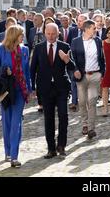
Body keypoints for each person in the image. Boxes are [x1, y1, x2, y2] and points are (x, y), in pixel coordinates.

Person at [30, 23, 75, 158]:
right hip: (45, 88)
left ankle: (61, 145)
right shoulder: (38, 48)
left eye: (53, 34)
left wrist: (66, 60)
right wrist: (32, 88)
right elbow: (32, 70)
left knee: (63, 117)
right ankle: (51, 148)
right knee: (48, 118)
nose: (50, 36)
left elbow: (72, 66)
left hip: (61, 88)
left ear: (58, 33)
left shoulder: (64, 46)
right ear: (45, 33)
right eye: (48, 34)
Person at [0, 25, 32, 167]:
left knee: (17, 123)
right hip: (6, 91)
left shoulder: (25, 50)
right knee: (7, 122)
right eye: (21, 34)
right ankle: (8, 151)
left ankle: (14, 156)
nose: (23, 37)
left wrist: (30, 89)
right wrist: (4, 70)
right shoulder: (2, 49)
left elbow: (27, 72)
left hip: (20, 91)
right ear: (14, 36)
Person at [71, 20, 105, 140]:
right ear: (86, 29)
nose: (96, 30)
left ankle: (91, 128)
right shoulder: (76, 42)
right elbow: (72, 58)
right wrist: (75, 70)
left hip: (95, 74)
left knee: (92, 101)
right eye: (93, 28)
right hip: (82, 75)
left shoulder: (98, 41)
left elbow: (102, 57)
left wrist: (102, 72)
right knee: (82, 101)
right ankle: (84, 123)